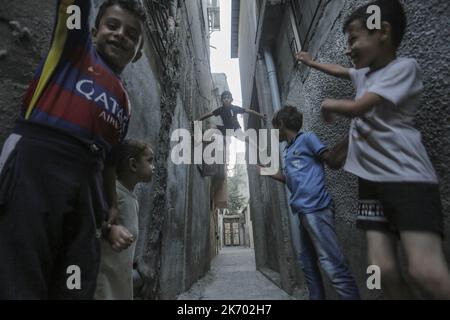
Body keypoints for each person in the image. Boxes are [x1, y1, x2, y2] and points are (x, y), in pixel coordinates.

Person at [296, 0, 450, 299]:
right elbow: (340, 70)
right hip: (371, 185)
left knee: (424, 271)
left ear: (383, 32)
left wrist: (331, 104)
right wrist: (311, 62)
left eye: (353, 39)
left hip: (407, 180)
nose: (347, 48)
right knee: (380, 270)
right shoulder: (363, 74)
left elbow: (360, 108)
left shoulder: (403, 68)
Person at [0, 0, 146, 299]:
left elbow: (107, 161)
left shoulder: (124, 103)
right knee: (21, 269)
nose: (120, 35)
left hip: (87, 185)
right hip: (37, 165)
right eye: (112, 26)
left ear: (137, 51)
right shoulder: (73, 52)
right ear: (93, 32)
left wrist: (110, 207)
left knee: (75, 278)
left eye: (131, 34)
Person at [258, 106, 360, 300]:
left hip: (316, 209)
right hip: (303, 212)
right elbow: (291, 178)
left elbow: (329, 157)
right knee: (308, 265)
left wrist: (352, 134)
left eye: (275, 127)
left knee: (332, 265)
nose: (274, 132)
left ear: (281, 124)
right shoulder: (288, 150)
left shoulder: (307, 139)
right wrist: (265, 171)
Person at [95, 139, 154, 300]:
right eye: (149, 161)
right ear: (133, 165)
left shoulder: (130, 197)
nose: (153, 167)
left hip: (120, 281)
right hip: (105, 285)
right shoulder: (115, 196)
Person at [195, 91, 267, 156]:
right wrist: (198, 120)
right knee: (212, 126)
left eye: (227, 98)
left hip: (236, 130)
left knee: (247, 139)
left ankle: (260, 149)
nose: (226, 99)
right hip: (226, 130)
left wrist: (261, 116)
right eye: (224, 98)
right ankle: (204, 140)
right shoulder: (220, 110)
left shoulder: (235, 108)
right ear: (222, 101)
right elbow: (209, 114)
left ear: (231, 100)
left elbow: (249, 111)